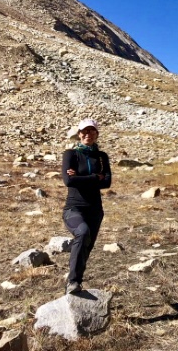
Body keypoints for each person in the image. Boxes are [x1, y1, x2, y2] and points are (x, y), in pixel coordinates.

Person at [61, 118, 112, 294]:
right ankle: (73, 282)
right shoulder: (71, 155)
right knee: (82, 233)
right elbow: (69, 181)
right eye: (84, 131)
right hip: (73, 208)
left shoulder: (101, 156)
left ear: (97, 134)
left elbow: (107, 182)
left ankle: (74, 282)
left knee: (86, 248)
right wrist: (94, 178)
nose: (87, 134)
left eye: (91, 131)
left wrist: (81, 178)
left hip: (95, 211)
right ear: (79, 134)